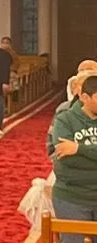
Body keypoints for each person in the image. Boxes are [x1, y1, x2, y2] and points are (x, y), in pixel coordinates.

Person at [50, 76, 97, 227]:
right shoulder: (64, 119)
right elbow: (66, 159)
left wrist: (78, 148)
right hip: (73, 198)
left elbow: (74, 155)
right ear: (84, 97)